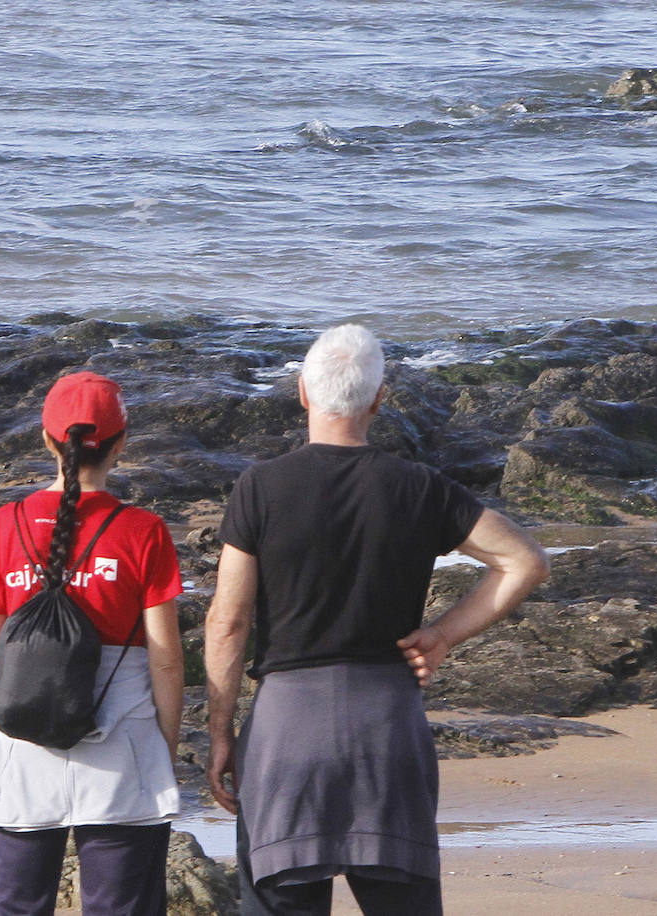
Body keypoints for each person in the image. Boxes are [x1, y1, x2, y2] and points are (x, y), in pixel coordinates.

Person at [205, 324, 550, 916]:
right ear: (379, 400)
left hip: (287, 729)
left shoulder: (260, 486)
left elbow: (228, 623)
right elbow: (524, 561)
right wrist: (443, 633)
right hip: (386, 726)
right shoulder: (418, 486)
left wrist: (219, 735)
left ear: (303, 393)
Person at [0, 371, 184, 916]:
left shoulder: (5, 523)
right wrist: (166, 744)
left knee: (17, 905)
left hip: (24, 731)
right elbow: (166, 657)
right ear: (121, 444)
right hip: (122, 738)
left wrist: (10, 725)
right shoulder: (143, 530)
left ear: (46, 440)